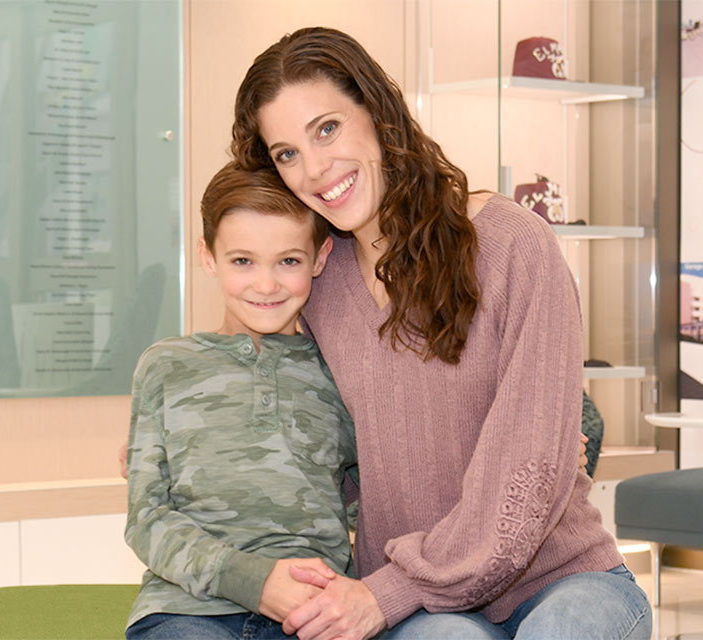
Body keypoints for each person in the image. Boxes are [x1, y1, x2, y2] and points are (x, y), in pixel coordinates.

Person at [231, 26, 652, 640]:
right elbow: (300, 427)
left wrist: (389, 590)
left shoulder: (512, 243)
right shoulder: (317, 284)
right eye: (286, 153)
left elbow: (530, 472)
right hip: (419, 609)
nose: (316, 169)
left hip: (563, 579)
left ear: (378, 114)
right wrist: (176, 424)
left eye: (327, 129)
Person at [123, 162, 357, 639]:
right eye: (243, 261)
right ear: (207, 257)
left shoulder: (345, 372)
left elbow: (373, 502)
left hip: (315, 610)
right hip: (186, 608)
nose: (266, 285)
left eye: (288, 261)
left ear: (320, 256)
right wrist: (251, 581)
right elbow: (146, 518)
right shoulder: (165, 365)